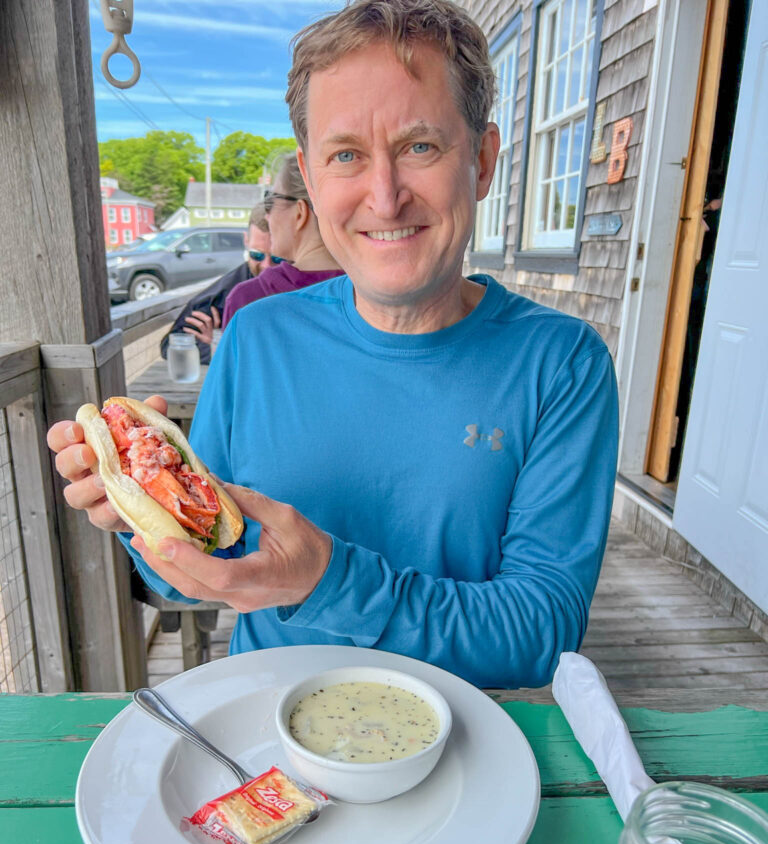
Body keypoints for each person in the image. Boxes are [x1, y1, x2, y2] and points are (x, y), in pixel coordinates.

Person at [47, 0, 618, 690]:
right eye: (347, 155)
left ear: (485, 161)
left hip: (461, 746)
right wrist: (141, 508)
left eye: (420, 147)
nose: (384, 196)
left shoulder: (562, 363)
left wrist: (330, 581)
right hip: (263, 732)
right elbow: (201, 577)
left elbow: (540, 635)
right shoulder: (257, 335)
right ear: (311, 179)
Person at [222, 152, 343, 326]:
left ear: (300, 213)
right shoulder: (373, 293)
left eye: (271, 201)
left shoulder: (247, 300)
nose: (266, 215)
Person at [158, 202, 278, 364]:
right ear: (246, 241)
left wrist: (226, 348)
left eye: (278, 258)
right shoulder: (223, 294)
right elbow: (171, 347)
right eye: (256, 255)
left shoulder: (307, 284)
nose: (266, 266)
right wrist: (214, 347)